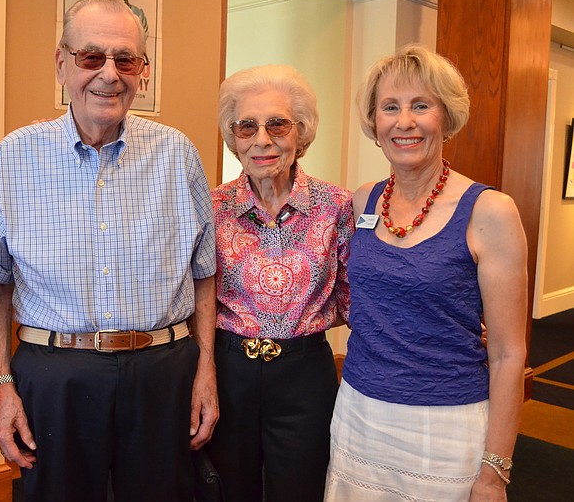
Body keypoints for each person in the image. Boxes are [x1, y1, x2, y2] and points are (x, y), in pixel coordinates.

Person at [0, 0, 217, 502]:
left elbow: (204, 272)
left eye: (125, 59)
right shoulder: (14, 156)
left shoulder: (177, 153)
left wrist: (206, 373)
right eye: (91, 57)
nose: (109, 74)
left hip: (163, 372)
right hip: (53, 376)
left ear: (142, 70)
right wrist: (2, 384)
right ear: (61, 62)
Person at [325, 44, 528, 501]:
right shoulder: (363, 201)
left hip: (445, 428)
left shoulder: (489, 212)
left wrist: (495, 474)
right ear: (375, 123)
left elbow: (508, 354)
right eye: (390, 107)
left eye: (421, 105)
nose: (405, 121)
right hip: (359, 414)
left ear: (446, 117)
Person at [205, 64, 352, 502]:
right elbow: (198, 298)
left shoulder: (335, 206)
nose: (262, 139)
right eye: (246, 126)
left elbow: (353, 298)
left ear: (301, 132)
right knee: (229, 489)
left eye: (277, 124)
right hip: (229, 370)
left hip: (305, 373)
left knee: (301, 489)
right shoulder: (212, 206)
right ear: (233, 138)